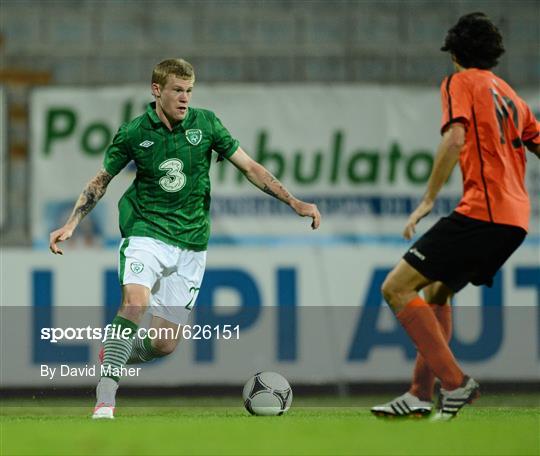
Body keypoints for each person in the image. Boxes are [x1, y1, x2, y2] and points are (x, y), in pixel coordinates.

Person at [49, 58, 321, 419]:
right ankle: (106, 398)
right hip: (145, 231)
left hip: (191, 243)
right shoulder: (133, 132)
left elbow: (251, 167)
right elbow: (101, 180)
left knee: (163, 344)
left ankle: (113, 350)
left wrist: (294, 201)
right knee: (134, 302)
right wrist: (72, 223)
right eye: (177, 90)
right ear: (156, 90)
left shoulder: (206, 124)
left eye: (189, 91)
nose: (184, 98)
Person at [371, 12, 540, 420]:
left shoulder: (460, 83)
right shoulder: (511, 97)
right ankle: (418, 395)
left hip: (483, 212)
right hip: (514, 221)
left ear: (454, 55)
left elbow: (455, 137)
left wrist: (428, 199)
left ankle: (455, 382)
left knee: (395, 288)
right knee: (437, 293)